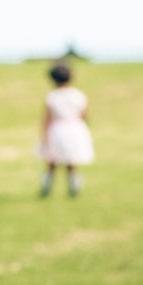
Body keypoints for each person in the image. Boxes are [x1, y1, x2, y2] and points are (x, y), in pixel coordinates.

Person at [36, 62, 94, 197]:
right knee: (71, 163)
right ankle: (74, 187)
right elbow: (84, 115)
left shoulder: (52, 96)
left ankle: (46, 188)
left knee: (52, 162)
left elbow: (47, 118)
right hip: (74, 129)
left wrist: (44, 136)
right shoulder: (78, 95)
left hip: (57, 130)